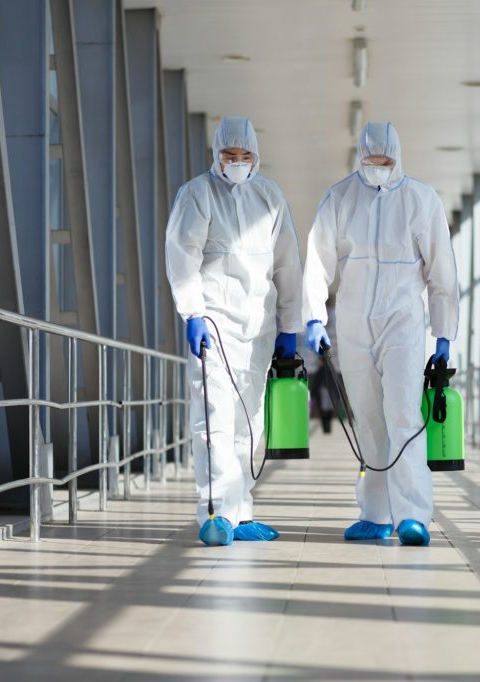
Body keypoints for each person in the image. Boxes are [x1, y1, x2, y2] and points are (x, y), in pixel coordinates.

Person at [303, 122, 459, 546]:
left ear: (398, 158)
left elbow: (441, 270)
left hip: (403, 320)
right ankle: (375, 512)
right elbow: (317, 260)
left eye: (385, 162)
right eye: (370, 162)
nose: (377, 169)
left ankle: (412, 514)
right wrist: (314, 316)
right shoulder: (340, 197)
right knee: (369, 418)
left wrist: (444, 334)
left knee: (405, 413)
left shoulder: (420, 199)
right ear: (360, 159)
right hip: (353, 324)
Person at [165, 116, 303, 547]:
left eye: (245, 156)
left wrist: (290, 324)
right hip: (216, 323)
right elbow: (182, 254)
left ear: (256, 156)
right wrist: (192, 313)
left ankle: (241, 512)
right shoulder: (197, 194)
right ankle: (216, 513)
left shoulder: (269, 196)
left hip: (258, 327)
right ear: (217, 155)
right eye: (230, 156)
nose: (237, 162)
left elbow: (286, 263)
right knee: (214, 417)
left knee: (250, 422)